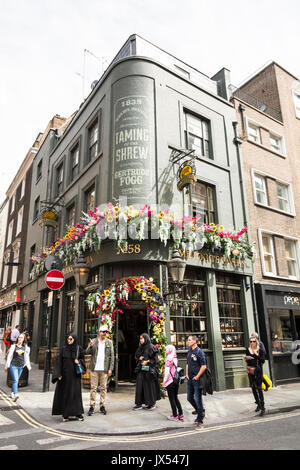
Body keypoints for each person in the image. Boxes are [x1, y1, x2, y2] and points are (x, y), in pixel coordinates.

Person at [52, 333, 85, 422]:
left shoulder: (79, 349)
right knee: (66, 395)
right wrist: (58, 374)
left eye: (71, 339)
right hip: (65, 377)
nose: (69, 341)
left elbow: (83, 361)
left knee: (75, 395)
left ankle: (78, 413)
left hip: (75, 377)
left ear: (75, 340)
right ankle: (65, 414)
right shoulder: (64, 349)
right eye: (68, 339)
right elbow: (59, 362)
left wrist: (79, 362)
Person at [86, 325, 114, 416]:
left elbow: (112, 357)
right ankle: (92, 406)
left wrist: (110, 368)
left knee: (103, 388)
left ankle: (102, 406)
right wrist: (90, 346)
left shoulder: (109, 342)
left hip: (104, 369)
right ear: (99, 332)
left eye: (105, 331)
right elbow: (87, 352)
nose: (104, 333)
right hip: (94, 368)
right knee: (93, 388)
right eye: (103, 331)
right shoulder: (94, 341)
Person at [133, 333, 161, 411]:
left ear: (146, 339)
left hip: (149, 370)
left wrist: (147, 361)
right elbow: (136, 356)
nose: (141, 340)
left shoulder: (151, 347)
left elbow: (155, 359)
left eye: (142, 339)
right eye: (140, 339)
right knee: (140, 386)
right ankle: (139, 404)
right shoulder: (140, 347)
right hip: (141, 370)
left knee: (149, 387)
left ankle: (151, 403)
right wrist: (140, 358)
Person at [186, 335, 207, 429]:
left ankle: (200, 421)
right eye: (188, 340)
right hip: (190, 378)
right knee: (189, 398)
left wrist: (197, 376)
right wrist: (187, 374)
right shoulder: (189, 351)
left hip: (197, 379)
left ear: (195, 341)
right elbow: (187, 363)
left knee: (198, 399)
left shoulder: (199, 352)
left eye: (190, 340)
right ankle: (200, 411)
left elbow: (204, 366)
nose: (188, 341)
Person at [4, 332, 31, 402]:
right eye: (19, 337)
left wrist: (28, 366)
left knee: (15, 380)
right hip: (13, 366)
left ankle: (12, 393)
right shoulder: (13, 346)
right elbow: (9, 357)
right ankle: (16, 394)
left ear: (24, 339)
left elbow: (27, 358)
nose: (20, 339)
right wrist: (7, 366)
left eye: (21, 337)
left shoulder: (26, 348)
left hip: (21, 366)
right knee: (16, 380)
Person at [244, 336, 266, 416]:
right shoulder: (248, 350)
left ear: (256, 342)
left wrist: (257, 354)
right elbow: (247, 360)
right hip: (251, 370)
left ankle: (263, 407)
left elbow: (263, 361)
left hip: (258, 370)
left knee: (259, 388)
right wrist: (246, 359)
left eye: (253, 341)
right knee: (253, 387)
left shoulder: (260, 350)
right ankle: (258, 404)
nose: (252, 343)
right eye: (251, 341)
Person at [163, 344, 183, 421]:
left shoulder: (168, 359)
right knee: (175, 397)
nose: (165, 351)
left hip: (170, 381)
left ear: (169, 350)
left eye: (166, 349)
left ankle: (175, 415)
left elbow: (167, 372)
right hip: (176, 380)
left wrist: (164, 381)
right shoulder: (175, 358)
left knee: (171, 399)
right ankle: (181, 414)